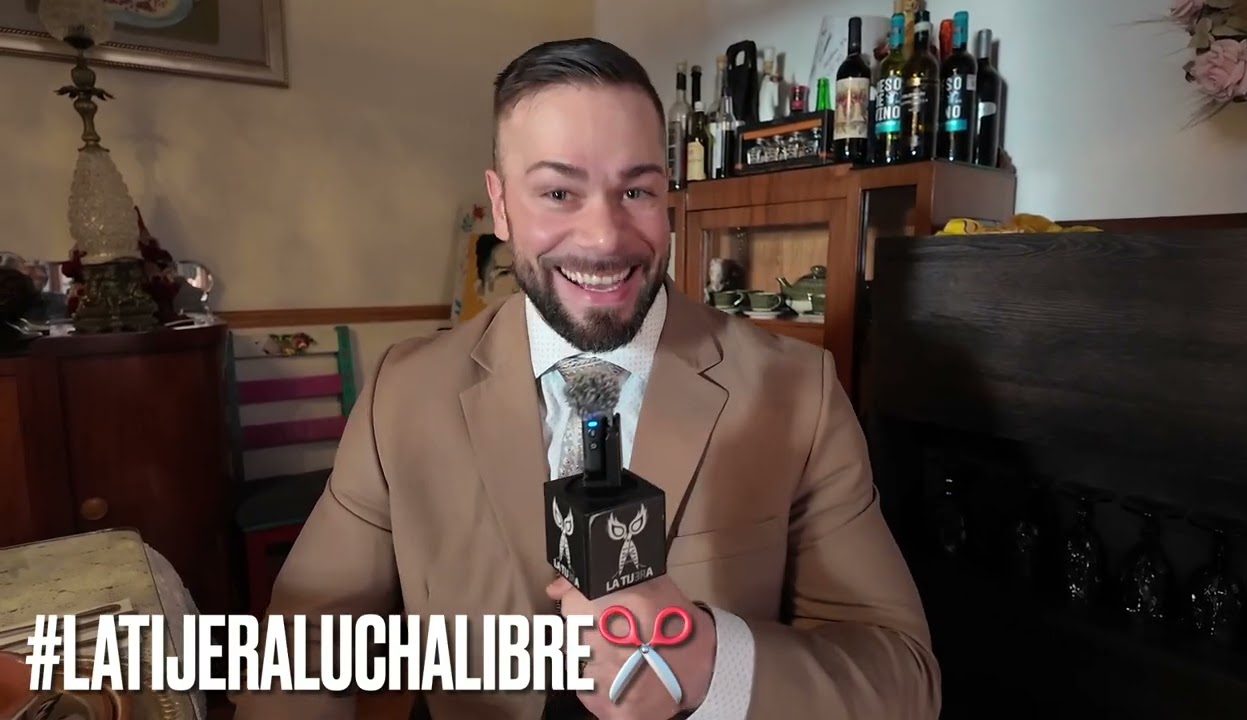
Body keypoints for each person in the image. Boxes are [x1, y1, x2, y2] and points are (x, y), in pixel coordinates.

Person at [230, 37, 940, 720]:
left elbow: (903, 679)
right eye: (558, 192)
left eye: (637, 191)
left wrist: (707, 665)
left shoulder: (800, 392)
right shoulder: (401, 394)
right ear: (500, 204)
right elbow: (303, 643)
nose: (604, 238)